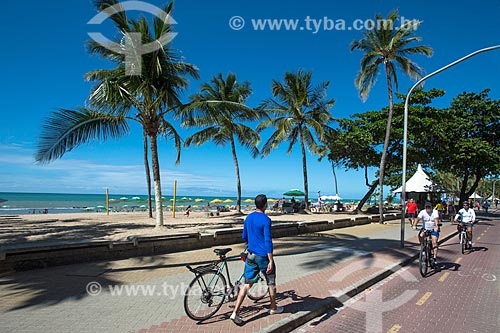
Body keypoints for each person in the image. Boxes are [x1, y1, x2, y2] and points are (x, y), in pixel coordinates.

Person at [230, 194, 284, 325]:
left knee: (246, 284)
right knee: (271, 282)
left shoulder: (248, 218)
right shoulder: (266, 220)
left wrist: (252, 243)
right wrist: (270, 260)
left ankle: (235, 312)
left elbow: (244, 236)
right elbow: (267, 241)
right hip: (263, 256)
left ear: (255, 204)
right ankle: (273, 308)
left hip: (251, 254)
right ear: (265, 205)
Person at [415, 202, 441, 270]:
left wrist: (436, 226)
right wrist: (414, 225)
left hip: (433, 228)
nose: (428, 209)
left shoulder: (435, 212)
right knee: (420, 235)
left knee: (434, 241)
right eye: (427, 207)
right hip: (425, 228)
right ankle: (423, 246)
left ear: (431, 207)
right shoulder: (422, 212)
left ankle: (434, 258)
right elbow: (418, 218)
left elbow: (436, 219)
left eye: (429, 207)